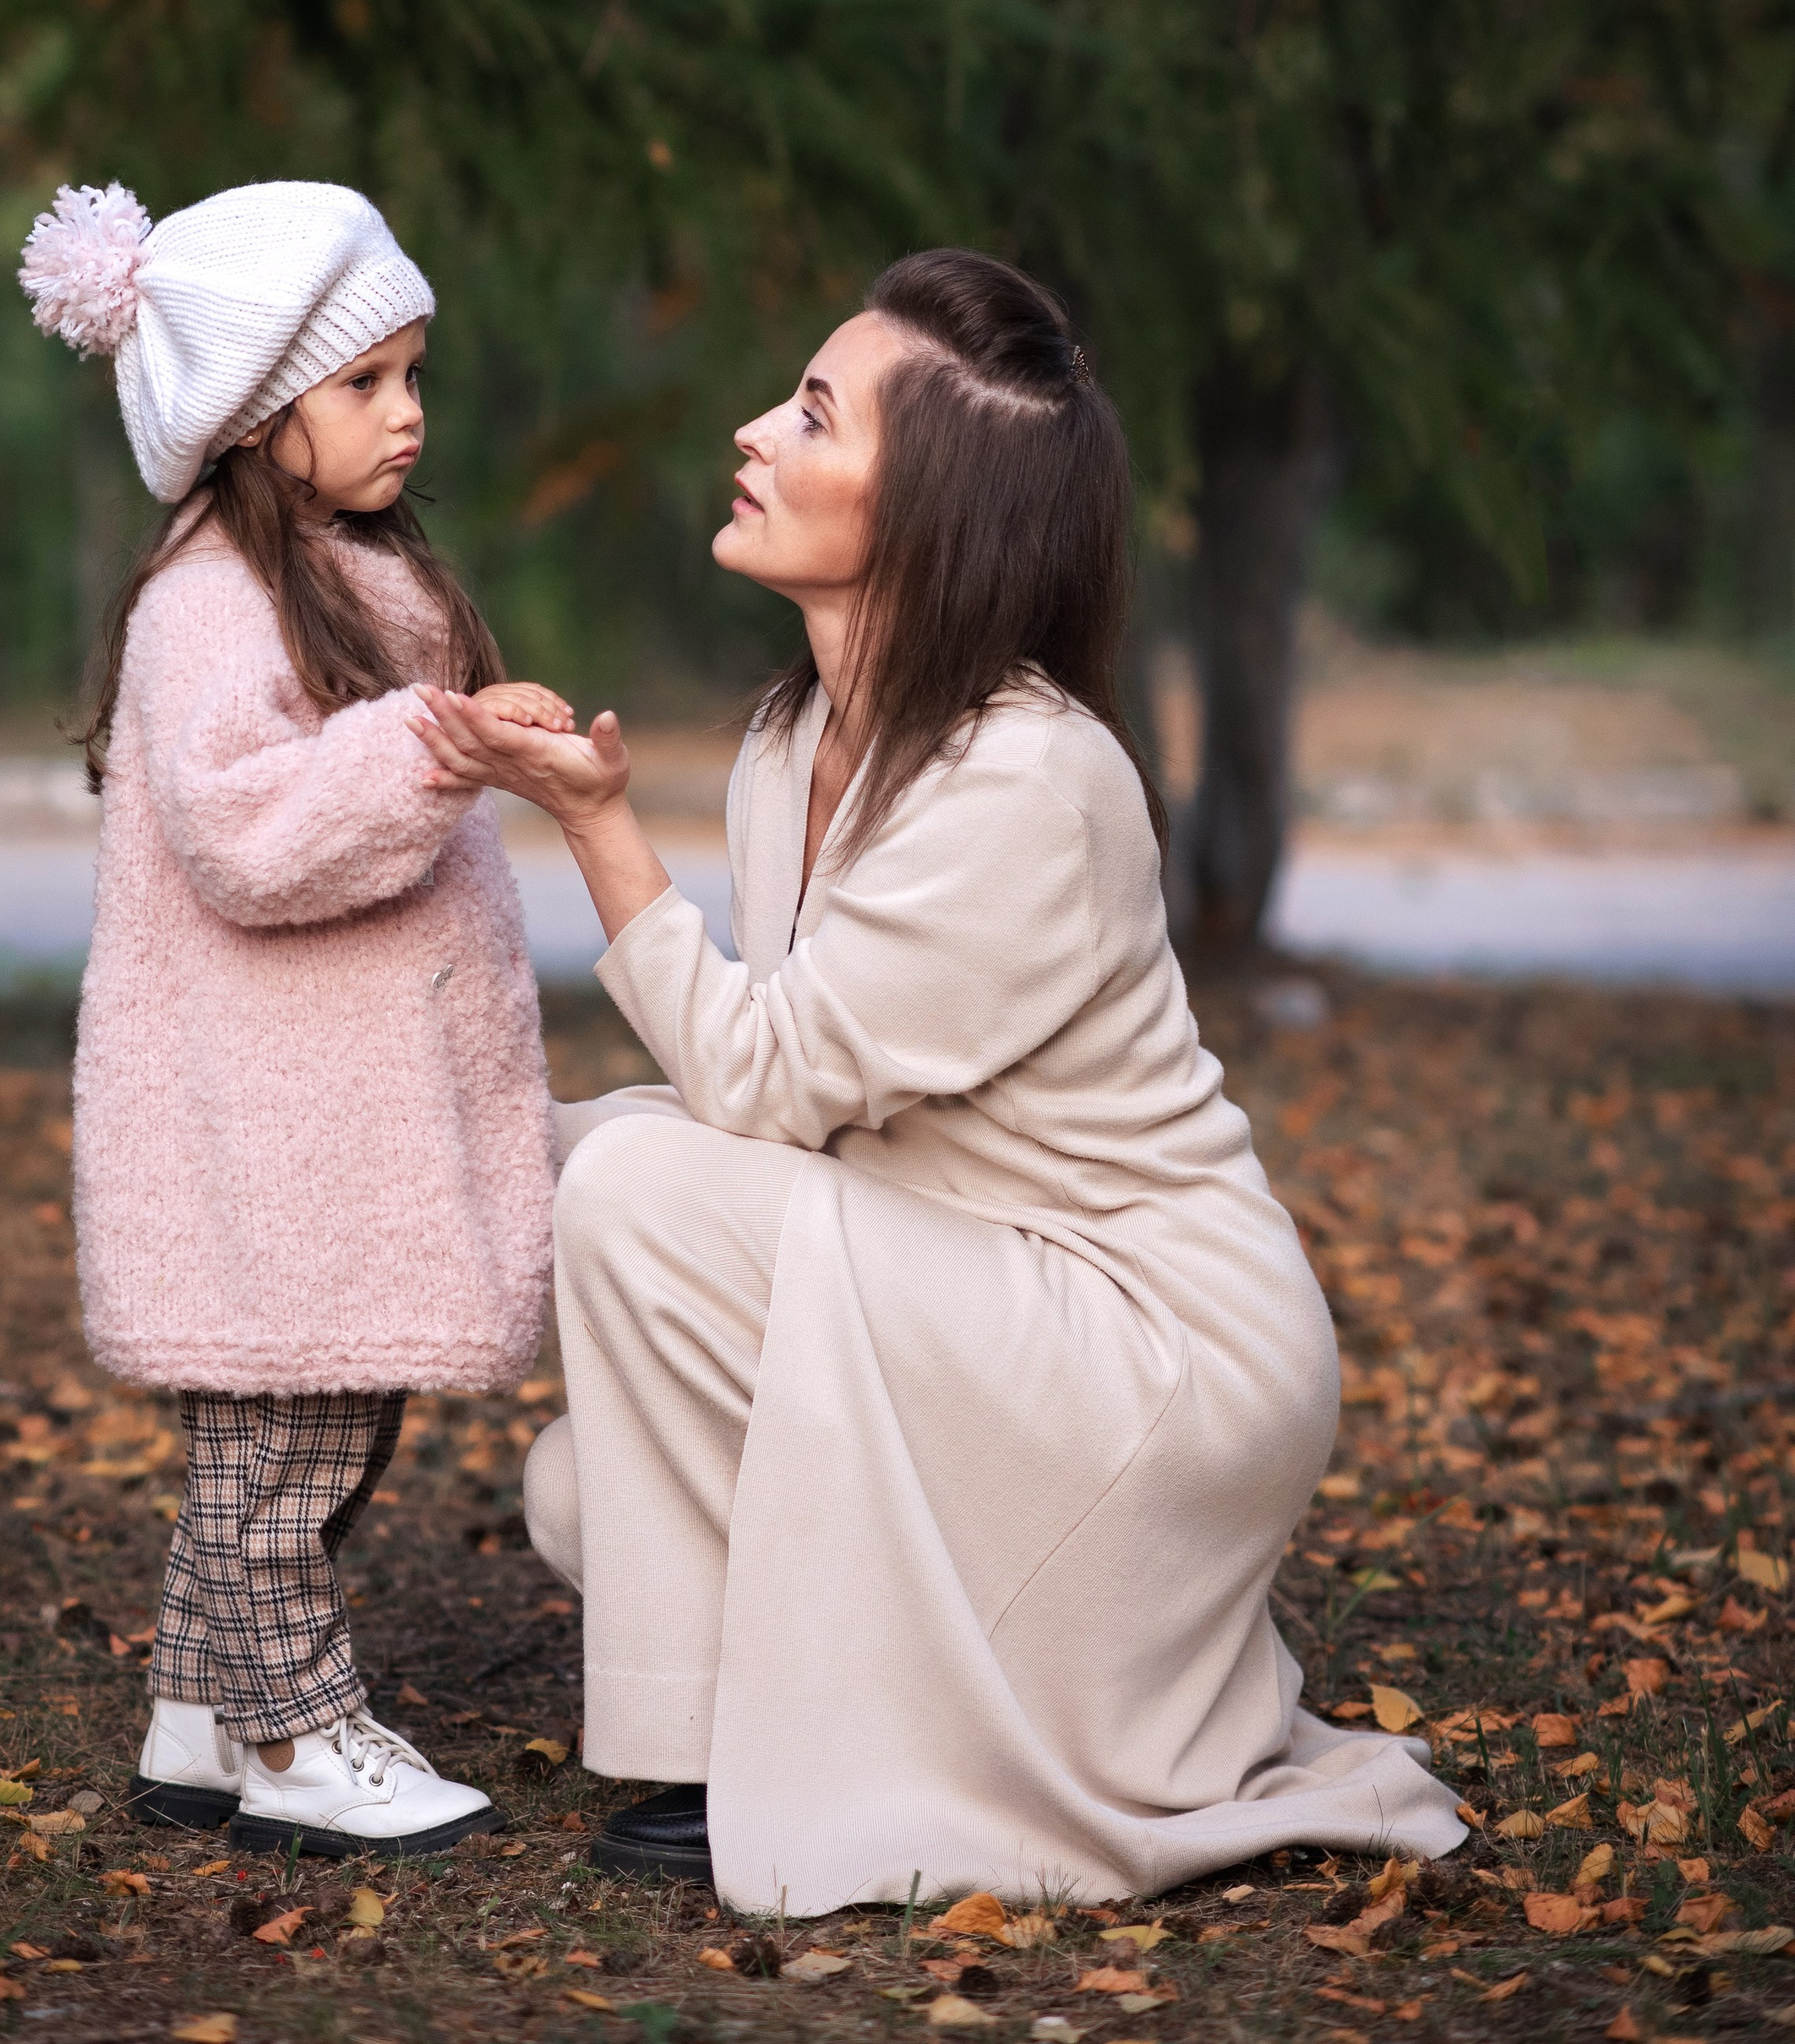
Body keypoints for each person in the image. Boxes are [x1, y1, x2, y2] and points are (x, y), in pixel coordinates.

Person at [412, 248, 1465, 1913]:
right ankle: (869, 1703)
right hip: (967, 1279)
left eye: (812, 414)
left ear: (928, 511)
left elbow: (752, 1086)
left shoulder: (1029, 783)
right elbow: (805, 1108)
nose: (755, 431)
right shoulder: (788, 743)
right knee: (579, 1480)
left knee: (625, 1182)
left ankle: (708, 1765)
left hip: (1154, 1353)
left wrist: (595, 828)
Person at [20, 176, 562, 1861]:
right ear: (256, 418)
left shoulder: (343, 575)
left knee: (321, 1431)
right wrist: (426, 745)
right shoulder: (207, 604)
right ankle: (295, 1733)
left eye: (413, 375)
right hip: (269, 1141)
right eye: (363, 384)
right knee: (281, 1458)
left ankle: (197, 1710)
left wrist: (466, 732)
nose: (406, 414)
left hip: (350, 1130)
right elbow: (245, 832)